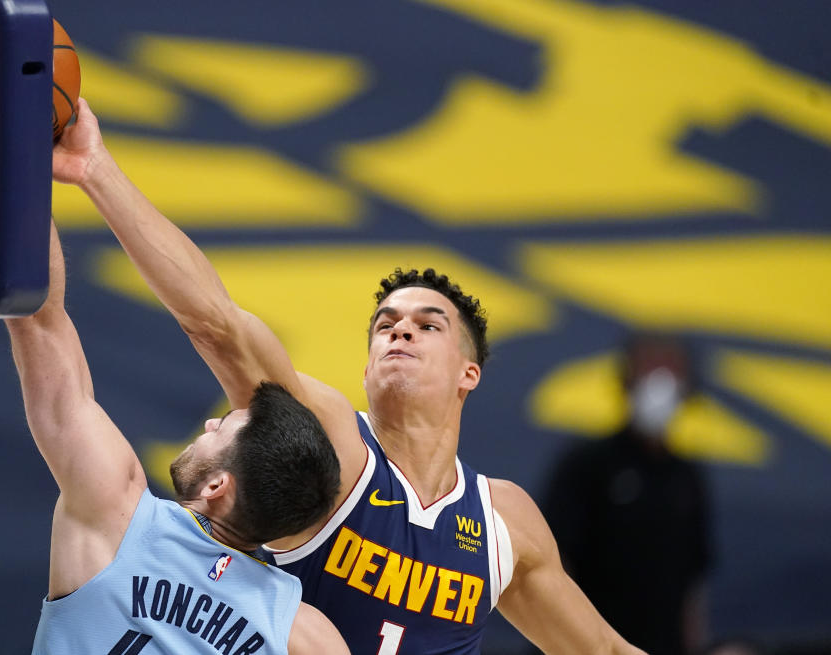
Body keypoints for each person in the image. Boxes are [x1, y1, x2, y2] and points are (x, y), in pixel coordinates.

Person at [52, 96, 647, 654]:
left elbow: (603, 649)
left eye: (428, 324)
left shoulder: (504, 521)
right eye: (385, 324)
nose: (400, 330)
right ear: (365, 367)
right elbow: (217, 325)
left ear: (470, 373)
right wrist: (94, 169)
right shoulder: (330, 442)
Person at [7, 221, 349, 655]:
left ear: (216, 485)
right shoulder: (306, 633)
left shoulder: (116, 510)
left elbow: (39, 318)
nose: (208, 425)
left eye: (222, 427)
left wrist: (22, 173)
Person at [541, 333, 712, 655]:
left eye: (671, 370)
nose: (660, 382)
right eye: (649, 368)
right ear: (626, 379)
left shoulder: (688, 477)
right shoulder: (587, 464)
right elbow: (553, 565)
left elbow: (693, 582)